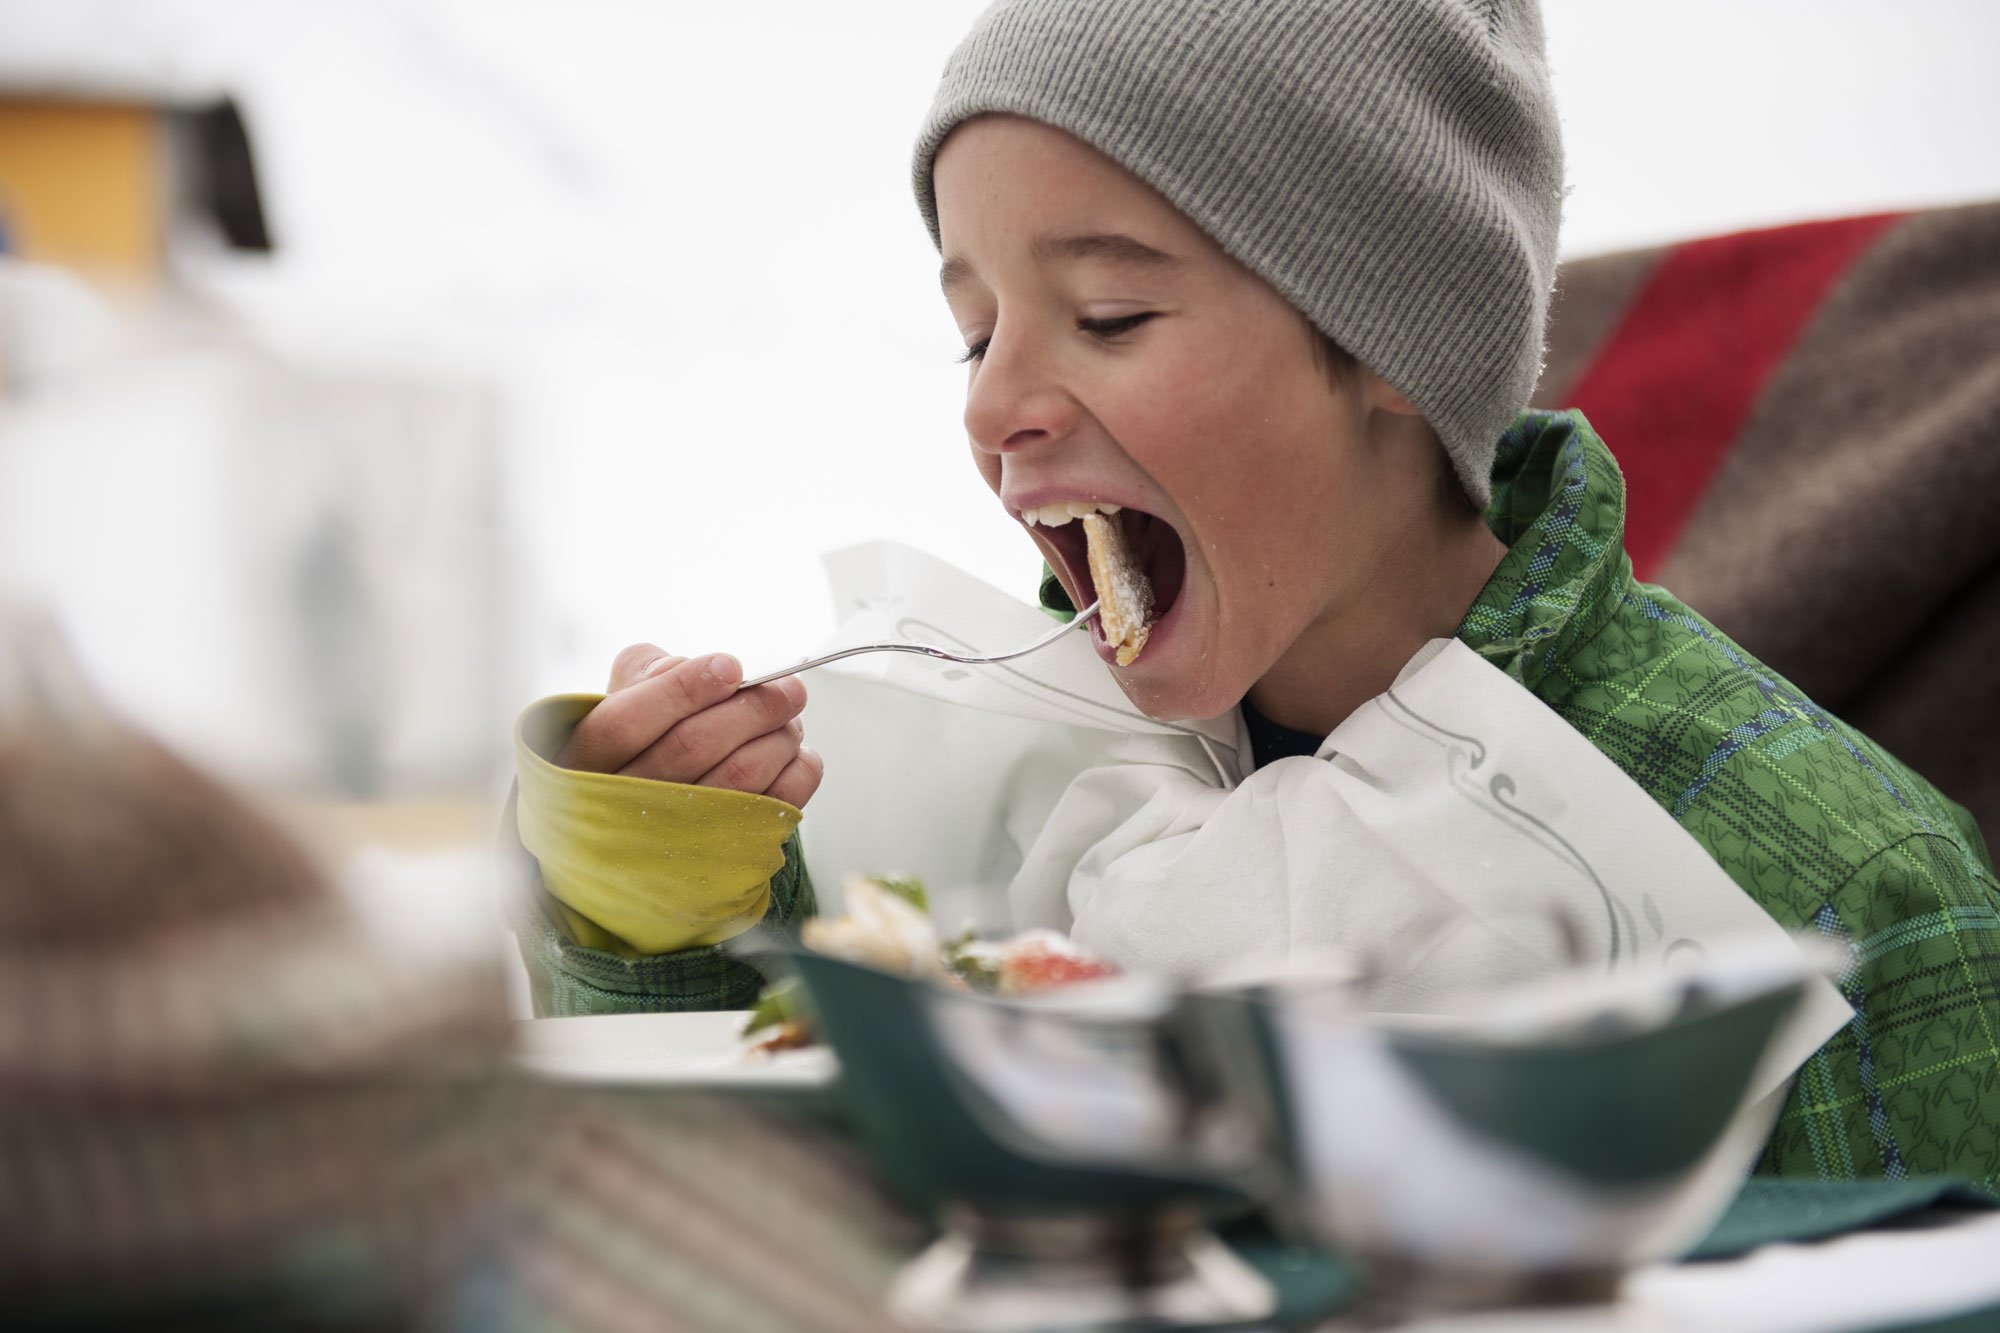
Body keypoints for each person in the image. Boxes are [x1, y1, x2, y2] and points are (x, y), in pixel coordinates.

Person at [506, 0, 2000, 1188]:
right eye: (976, 336)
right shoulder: (992, 784)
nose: (996, 406)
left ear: (1395, 344)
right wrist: (661, 904)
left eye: (1109, 313)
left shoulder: (1853, 904)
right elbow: (714, 1225)